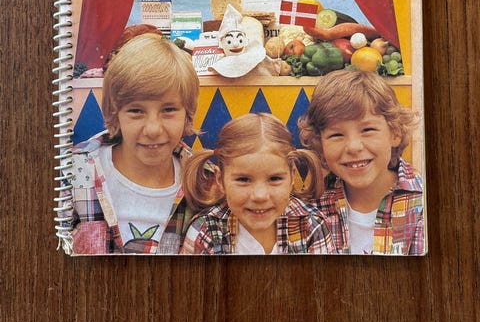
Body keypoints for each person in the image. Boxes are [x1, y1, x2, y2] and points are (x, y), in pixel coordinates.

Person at [68, 32, 213, 254]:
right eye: (136, 111)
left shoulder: (205, 181)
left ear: (187, 113)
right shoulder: (72, 173)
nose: (153, 129)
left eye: (169, 110)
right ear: (115, 113)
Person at [298, 69, 424, 255]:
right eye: (336, 135)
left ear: (395, 133)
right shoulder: (309, 208)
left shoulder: (425, 204)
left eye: (367, 130)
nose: (353, 147)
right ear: (320, 145)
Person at [180, 113, 336, 255]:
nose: (260, 196)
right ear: (220, 180)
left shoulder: (310, 226)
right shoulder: (205, 231)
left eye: (274, 179)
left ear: (292, 177)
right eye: (243, 180)